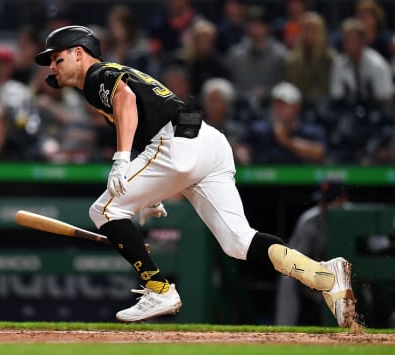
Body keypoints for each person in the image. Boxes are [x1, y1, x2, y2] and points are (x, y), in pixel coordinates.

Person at [34, 25, 356, 326]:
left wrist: (120, 161)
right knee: (238, 242)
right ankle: (323, 276)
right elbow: (144, 116)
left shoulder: (97, 75)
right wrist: (152, 192)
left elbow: (126, 100)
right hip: (208, 143)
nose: (52, 67)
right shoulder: (111, 75)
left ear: (79, 53)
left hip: (176, 143)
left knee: (103, 210)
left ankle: (159, 288)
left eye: (57, 58)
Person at [275, 179, 350, 325]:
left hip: (350, 274)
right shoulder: (310, 220)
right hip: (319, 273)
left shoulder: (357, 217)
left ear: (344, 199)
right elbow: (293, 260)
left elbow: (376, 249)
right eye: (324, 200)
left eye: (330, 201)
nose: (324, 205)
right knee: (287, 278)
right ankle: (284, 330)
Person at [234, 82, 326, 165]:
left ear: (297, 107)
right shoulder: (258, 130)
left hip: (303, 183)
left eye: (285, 104)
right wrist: (242, 154)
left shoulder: (311, 131)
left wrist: (286, 141)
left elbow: (320, 153)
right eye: (276, 104)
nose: (279, 108)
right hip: (262, 182)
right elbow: (242, 148)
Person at [227, 5, 287, 108]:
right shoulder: (236, 54)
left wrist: (267, 92)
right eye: (251, 24)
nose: (255, 28)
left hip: (271, 106)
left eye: (259, 24)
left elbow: (284, 85)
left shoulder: (280, 54)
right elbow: (229, 83)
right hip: (240, 106)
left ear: (267, 27)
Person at [285, 12, 336, 106]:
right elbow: (291, 88)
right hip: (297, 106)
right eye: (307, 29)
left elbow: (327, 88)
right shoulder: (293, 60)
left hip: (323, 105)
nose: (310, 33)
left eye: (314, 30)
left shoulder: (330, 59)